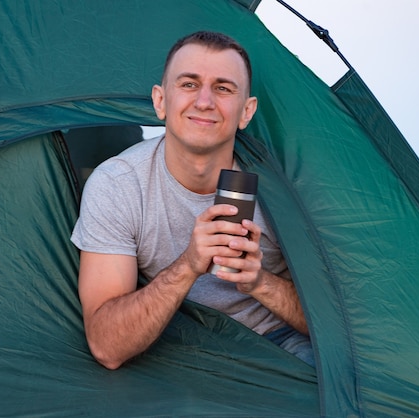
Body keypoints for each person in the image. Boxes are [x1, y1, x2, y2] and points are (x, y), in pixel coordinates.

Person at [71, 31, 313, 370]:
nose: (204, 101)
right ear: (160, 101)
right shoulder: (118, 185)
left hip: (275, 342)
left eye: (223, 88)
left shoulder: (290, 189)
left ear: (246, 111)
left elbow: (350, 326)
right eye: (188, 84)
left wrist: (259, 282)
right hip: (173, 350)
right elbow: (106, 346)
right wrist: (189, 264)